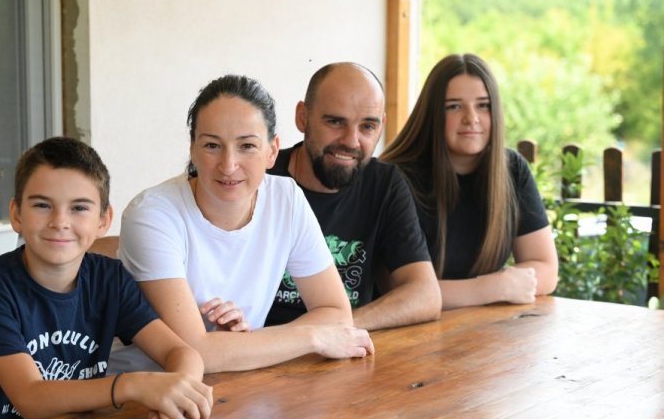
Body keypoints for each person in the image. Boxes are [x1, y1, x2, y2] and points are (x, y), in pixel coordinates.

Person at [0, 137, 213, 419]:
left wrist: (180, 392)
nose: (60, 222)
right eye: (42, 205)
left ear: (103, 220)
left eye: (79, 208)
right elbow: (31, 399)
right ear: (16, 214)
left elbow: (181, 353)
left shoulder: (110, 280)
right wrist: (134, 385)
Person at [116, 74, 374, 374]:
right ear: (192, 150)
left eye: (247, 146)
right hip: (139, 390)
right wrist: (313, 337)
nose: (228, 165)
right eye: (212, 145)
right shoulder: (152, 215)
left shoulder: (286, 200)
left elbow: (337, 314)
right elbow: (196, 353)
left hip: (239, 383)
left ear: (272, 151)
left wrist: (238, 346)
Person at [265, 62, 442, 330]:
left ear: (381, 126)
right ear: (302, 117)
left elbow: (425, 295)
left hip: (343, 345)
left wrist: (333, 329)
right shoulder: (260, 179)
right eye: (335, 122)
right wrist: (302, 339)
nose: (351, 140)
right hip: (261, 347)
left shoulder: (384, 184)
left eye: (367, 126)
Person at [380, 53, 558, 309]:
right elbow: (397, 291)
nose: (471, 117)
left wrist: (484, 290)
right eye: (454, 106)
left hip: (480, 326)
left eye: (483, 105)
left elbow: (546, 269)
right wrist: (495, 287)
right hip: (407, 329)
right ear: (432, 113)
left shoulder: (511, 169)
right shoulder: (395, 178)